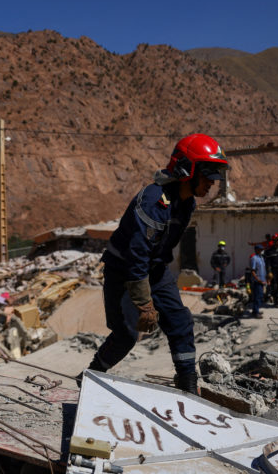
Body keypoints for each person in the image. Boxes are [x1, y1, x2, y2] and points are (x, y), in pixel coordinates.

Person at [81, 133, 228, 395]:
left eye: (215, 176)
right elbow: (136, 255)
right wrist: (144, 303)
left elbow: (156, 254)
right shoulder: (154, 201)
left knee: (180, 321)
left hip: (155, 269)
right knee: (126, 334)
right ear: (186, 169)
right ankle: (92, 376)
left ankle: (188, 388)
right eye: (207, 174)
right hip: (123, 270)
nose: (212, 184)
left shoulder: (186, 203)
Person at [248, 244, 266, 319]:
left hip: (262, 280)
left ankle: (255, 310)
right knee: (257, 297)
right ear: (257, 250)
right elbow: (252, 271)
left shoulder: (261, 258)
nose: (262, 251)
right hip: (257, 281)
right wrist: (258, 279)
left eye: (262, 250)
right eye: (261, 250)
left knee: (260, 296)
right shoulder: (254, 258)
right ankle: (256, 312)